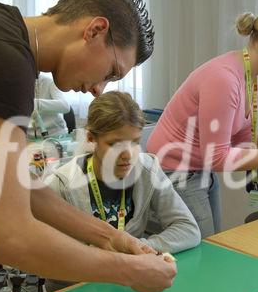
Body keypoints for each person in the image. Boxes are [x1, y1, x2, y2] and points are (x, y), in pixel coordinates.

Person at [0, 0, 176, 292]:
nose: (99, 90)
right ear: (94, 30)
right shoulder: (3, 57)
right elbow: (11, 239)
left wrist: (112, 236)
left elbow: (23, 186)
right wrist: (130, 270)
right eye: (111, 72)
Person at [147, 6, 258, 238]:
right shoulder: (224, 79)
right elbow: (217, 157)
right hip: (175, 169)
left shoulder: (255, 80)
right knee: (204, 250)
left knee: (214, 242)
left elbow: (243, 140)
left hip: (199, 168)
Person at [46, 91, 201, 253]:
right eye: (115, 144)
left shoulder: (147, 169)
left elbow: (188, 228)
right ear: (91, 138)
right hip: (83, 276)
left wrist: (138, 246)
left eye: (135, 142)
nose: (128, 155)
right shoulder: (61, 185)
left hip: (129, 272)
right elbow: (45, 255)